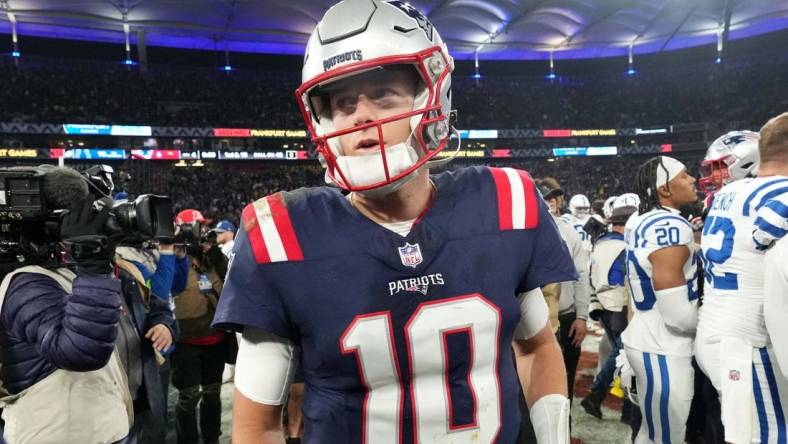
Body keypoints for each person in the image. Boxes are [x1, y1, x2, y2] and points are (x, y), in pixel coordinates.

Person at [214, 1, 578, 443]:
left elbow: (537, 347)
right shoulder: (281, 235)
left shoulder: (505, 202)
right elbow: (257, 423)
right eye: (342, 102)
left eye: (383, 93)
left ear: (433, 97)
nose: (361, 116)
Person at [0, 188, 133, 443]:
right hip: (61, 433)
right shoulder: (25, 281)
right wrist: (93, 265)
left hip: (93, 429)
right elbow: (80, 352)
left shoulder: (57, 274)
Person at [697, 115, 788, 443]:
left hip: (718, 330)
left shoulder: (728, 193)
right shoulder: (780, 190)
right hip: (748, 343)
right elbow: (766, 229)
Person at [622, 156, 700, 444]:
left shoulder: (639, 218)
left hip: (646, 336)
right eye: (684, 175)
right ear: (664, 190)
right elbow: (677, 316)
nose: (692, 179)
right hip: (664, 344)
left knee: (652, 432)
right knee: (667, 437)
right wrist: (713, 325)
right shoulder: (669, 224)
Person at [171, 209, 228, 444]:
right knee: (188, 396)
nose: (201, 232)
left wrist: (215, 253)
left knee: (213, 394)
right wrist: (176, 250)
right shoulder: (174, 255)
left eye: (203, 226)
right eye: (196, 227)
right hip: (185, 339)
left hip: (214, 336)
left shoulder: (212, 256)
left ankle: (212, 438)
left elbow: (229, 280)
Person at [580, 194, 638, 419]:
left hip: (602, 306)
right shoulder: (624, 246)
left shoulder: (600, 243)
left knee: (621, 355)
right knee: (624, 355)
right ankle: (597, 395)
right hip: (619, 306)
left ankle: (624, 405)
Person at [540, 179, 590, 405]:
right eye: (546, 197)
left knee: (566, 379)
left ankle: (562, 431)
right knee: (537, 381)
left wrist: (581, 316)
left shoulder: (569, 232)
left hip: (566, 314)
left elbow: (581, 275)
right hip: (537, 318)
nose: (551, 201)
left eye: (553, 197)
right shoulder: (523, 231)